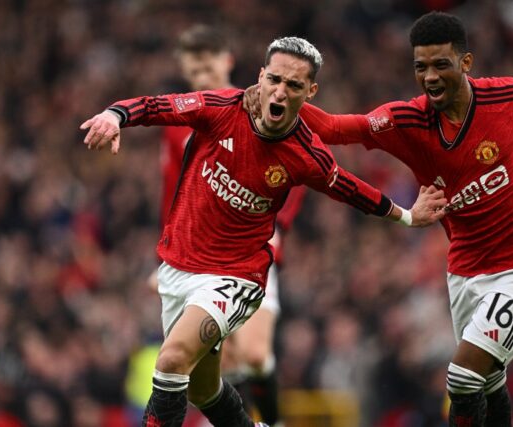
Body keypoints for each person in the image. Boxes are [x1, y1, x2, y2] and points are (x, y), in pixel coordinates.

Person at [80, 36, 448, 427]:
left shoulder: (306, 153)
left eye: (293, 85)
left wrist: (407, 216)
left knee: (170, 360)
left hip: (234, 276)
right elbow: (156, 107)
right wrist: (115, 115)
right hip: (179, 268)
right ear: (260, 76)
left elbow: (349, 188)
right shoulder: (220, 107)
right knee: (202, 390)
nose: (280, 91)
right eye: (274, 79)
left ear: (310, 91)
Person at [245, 11, 513, 427]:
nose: (428, 76)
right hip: (464, 269)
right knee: (487, 381)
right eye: (420, 66)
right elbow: (338, 128)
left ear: (465, 63)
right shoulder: (406, 122)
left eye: (440, 64)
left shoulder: (509, 97)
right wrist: (275, 98)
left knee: (462, 376)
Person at [157, 24, 307, 426]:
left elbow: (301, 166)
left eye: (207, 68)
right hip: (196, 256)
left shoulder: (259, 107)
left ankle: (272, 421)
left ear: (227, 62)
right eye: (193, 71)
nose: (201, 78)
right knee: (211, 371)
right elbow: (173, 192)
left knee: (255, 355)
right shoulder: (180, 122)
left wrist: (281, 226)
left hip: (247, 251)